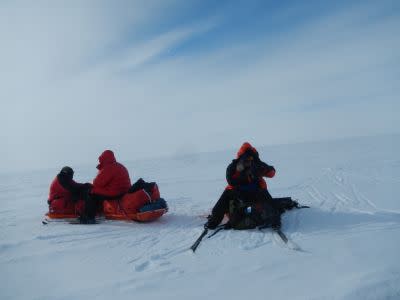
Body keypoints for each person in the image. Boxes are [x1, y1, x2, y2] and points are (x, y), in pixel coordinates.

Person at [205, 142, 279, 230]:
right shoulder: (233, 167)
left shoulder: (257, 164)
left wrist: (262, 170)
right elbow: (231, 182)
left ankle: (276, 221)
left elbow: (272, 173)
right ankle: (214, 222)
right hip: (238, 193)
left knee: (269, 202)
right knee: (224, 201)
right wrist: (244, 175)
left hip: (256, 192)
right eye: (247, 160)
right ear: (241, 158)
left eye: (251, 159)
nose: (249, 162)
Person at [80, 150, 131, 223]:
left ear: (103, 159)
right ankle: (100, 210)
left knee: (91, 193)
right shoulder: (120, 166)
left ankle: (88, 217)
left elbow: (97, 183)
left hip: (115, 193)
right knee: (98, 192)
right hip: (125, 191)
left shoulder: (108, 167)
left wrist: (101, 169)